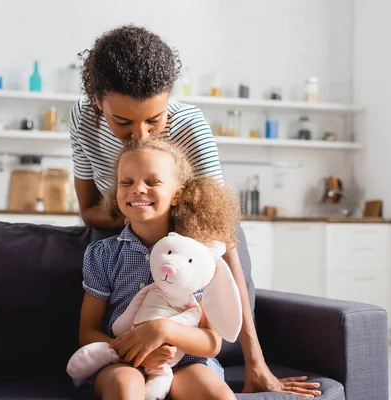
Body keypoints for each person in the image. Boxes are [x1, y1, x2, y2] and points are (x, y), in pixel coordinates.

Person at [70, 24, 321, 398]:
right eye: (122, 122)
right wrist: (139, 211)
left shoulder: (190, 127)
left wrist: (257, 364)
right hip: (126, 244)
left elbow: (219, 227)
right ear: (97, 101)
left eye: (154, 119)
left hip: (193, 247)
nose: (142, 135)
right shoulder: (83, 121)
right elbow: (89, 209)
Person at [77, 139, 241, 399]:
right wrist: (137, 352)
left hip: (185, 362)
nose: (138, 189)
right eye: (126, 182)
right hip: (118, 359)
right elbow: (87, 332)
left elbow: (212, 342)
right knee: (126, 387)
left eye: (153, 182)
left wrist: (163, 330)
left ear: (177, 194)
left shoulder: (198, 257)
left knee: (218, 396)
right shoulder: (104, 254)